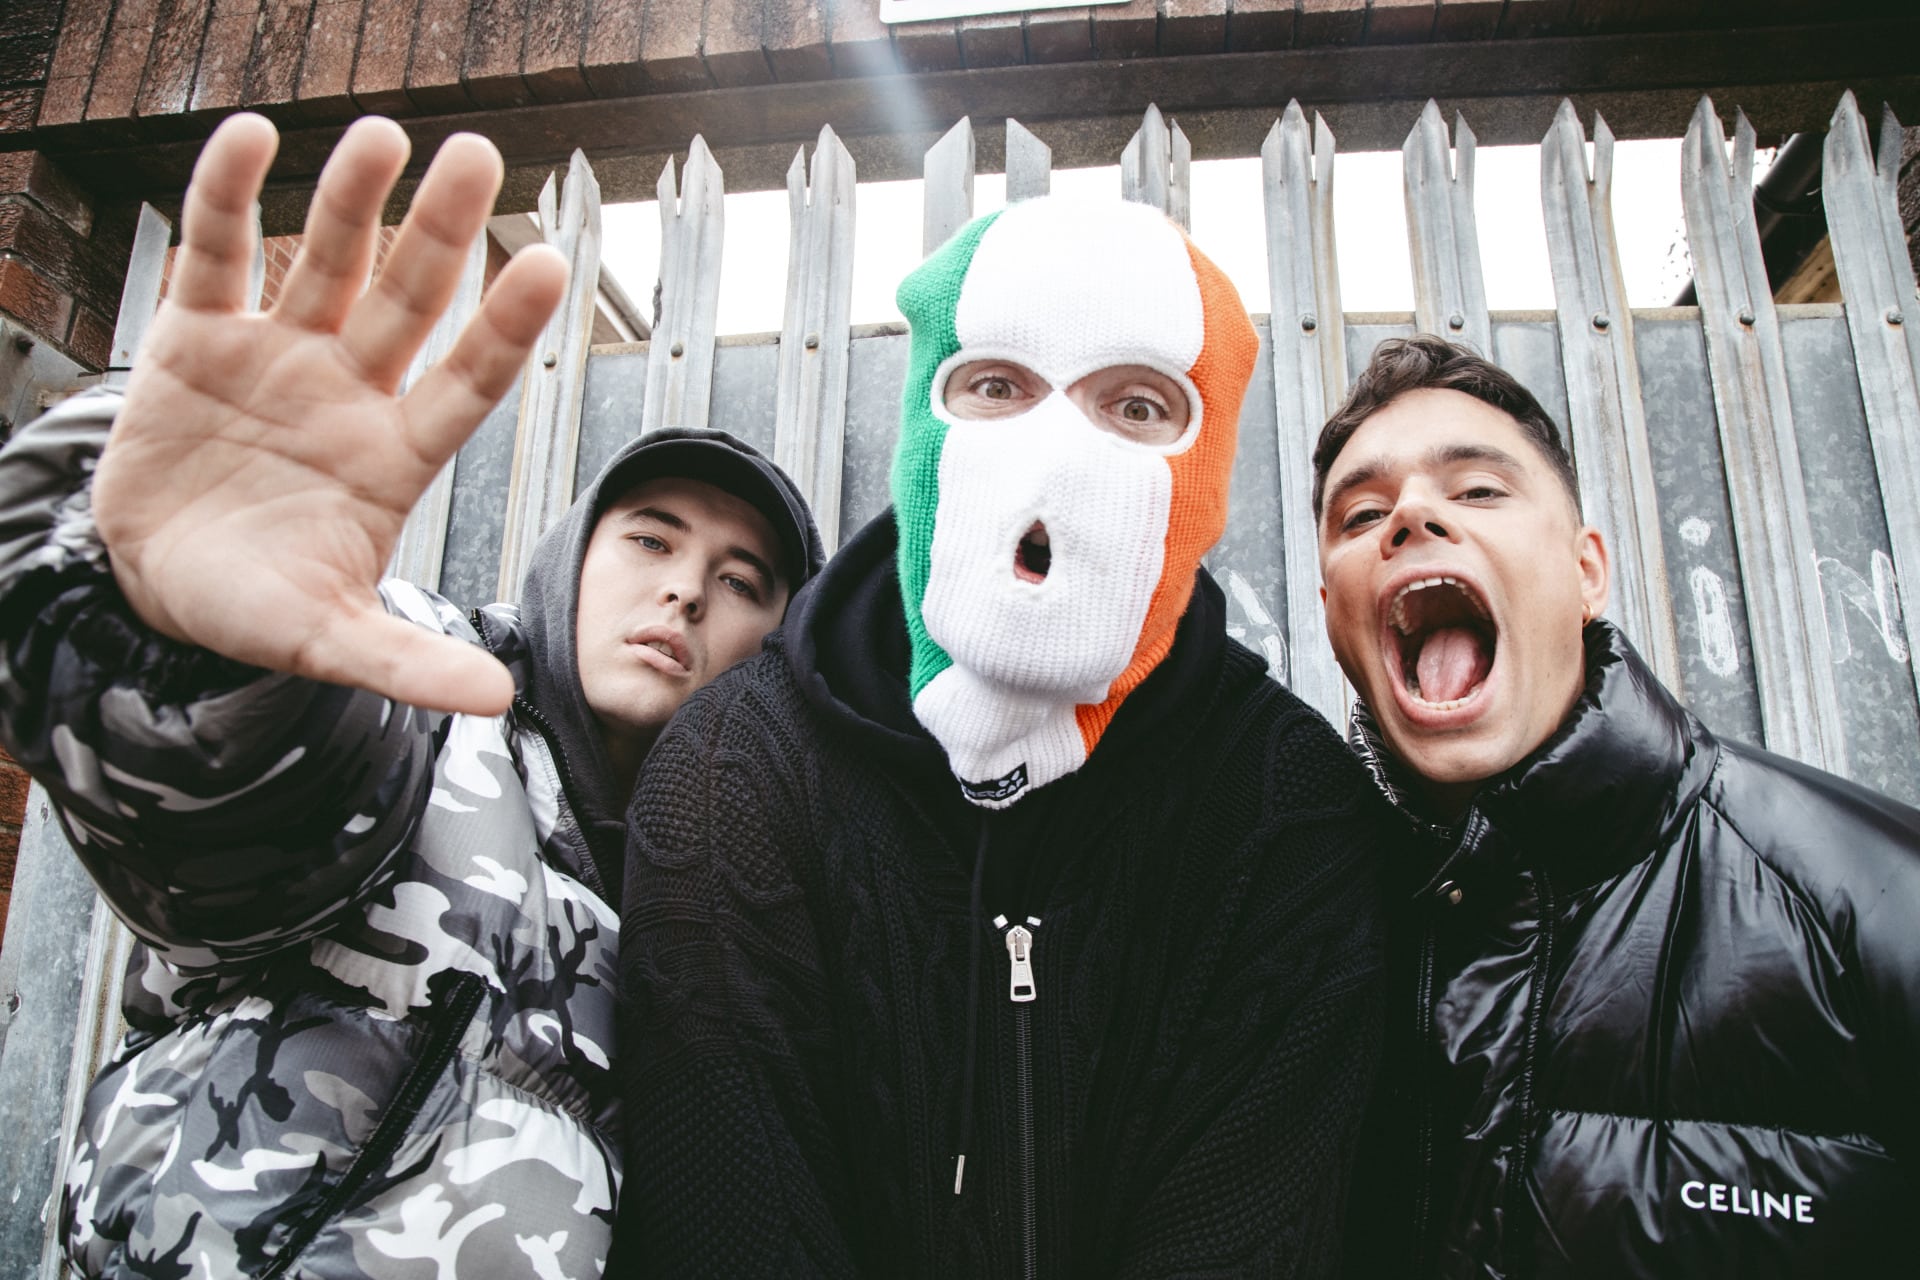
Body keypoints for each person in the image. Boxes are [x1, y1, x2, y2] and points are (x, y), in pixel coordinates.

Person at [0, 113, 821, 1277]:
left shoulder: (743, 889)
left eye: (742, 581)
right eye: (650, 538)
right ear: (571, 556)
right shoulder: (416, 691)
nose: (687, 589)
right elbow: (221, 791)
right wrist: (180, 628)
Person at [614, 195, 1393, 1276]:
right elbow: (732, 1225)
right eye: (995, 386)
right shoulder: (733, 772)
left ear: (1207, 470)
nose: (1054, 452)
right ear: (921, 426)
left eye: (1136, 404)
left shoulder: (1286, 805)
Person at [1313, 334, 1920, 1278]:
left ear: (1587, 570)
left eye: (1479, 490)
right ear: (1329, 608)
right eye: (1362, 513)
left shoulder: (1873, 903)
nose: (1411, 515)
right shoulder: (1284, 924)